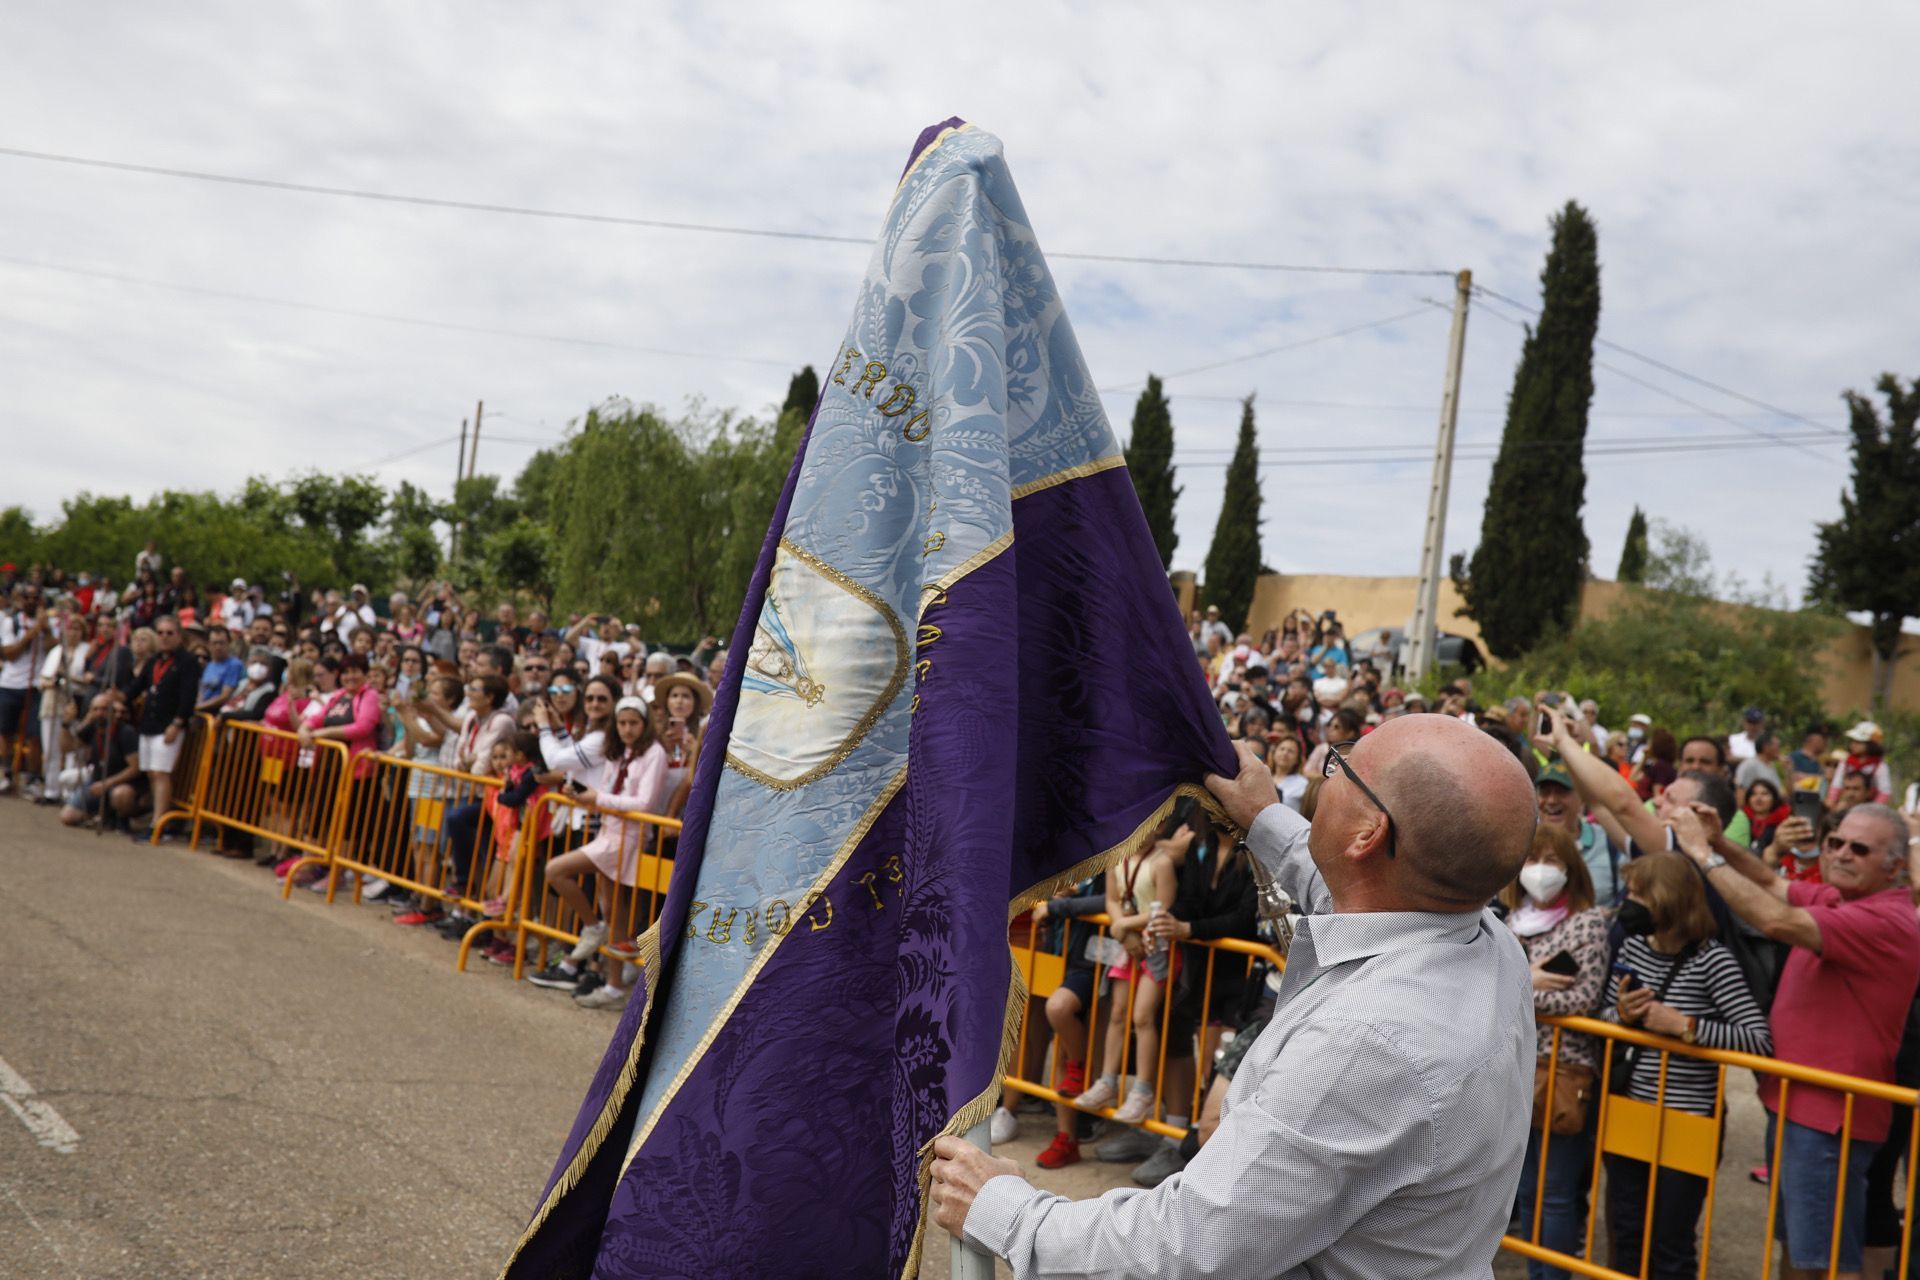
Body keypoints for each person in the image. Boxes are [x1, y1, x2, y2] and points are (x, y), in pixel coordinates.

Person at [933, 715, 1539, 1277]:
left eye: (1343, 766)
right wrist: (1263, 816)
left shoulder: (1373, 1043)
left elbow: (1194, 1247)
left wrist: (1003, 1211)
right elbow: (1355, 888)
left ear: (1369, 833)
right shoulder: (1488, 942)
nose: (1325, 777)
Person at [1668, 801, 1920, 1280]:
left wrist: (1703, 855)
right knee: (1798, 1251)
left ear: (1894, 867)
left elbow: (1776, 920)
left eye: (1859, 849)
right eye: (1834, 842)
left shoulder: (1887, 920)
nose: (1842, 854)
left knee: (1824, 1263)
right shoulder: (1842, 898)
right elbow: (1770, 883)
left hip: (1829, 1118)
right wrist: (1721, 842)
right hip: (1797, 1104)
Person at [1601, 851, 1772, 1279]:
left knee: (1670, 1241)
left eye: (1639, 893)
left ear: (1669, 899)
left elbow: (1759, 1040)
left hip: (1688, 1120)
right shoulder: (1633, 946)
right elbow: (1600, 1018)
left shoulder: (1713, 961)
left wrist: (1686, 1026)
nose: (1630, 901)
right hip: (1631, 1111)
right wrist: (1621, 1014)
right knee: (1626, 1232)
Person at [1502, 823, 1610, 1280]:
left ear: (1572, 870)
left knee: (1556, 1192)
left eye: (1552, 862)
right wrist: (1529, 978)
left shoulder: (1587, 922)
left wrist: (1516, 982)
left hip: (1564, 1071)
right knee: (1525, 1193)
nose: (1540, 871)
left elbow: (1581, 997)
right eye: (1532, 860)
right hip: (1514, 1067)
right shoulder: (1508, 920)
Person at [535, 697, 668, 1009]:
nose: (627, 729)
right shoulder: (618, 751)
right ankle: (612, 982)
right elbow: (606, 791)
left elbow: (644, 801)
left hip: (628, 837)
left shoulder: (654, 752)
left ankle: (597, 940)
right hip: (609, 831)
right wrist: (583, 796)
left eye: (634, 723)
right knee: (612, 908)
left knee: (557, 870)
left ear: (645, 724)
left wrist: (599, 798)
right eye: (622, 723)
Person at [1071, 814, 1184, 1127]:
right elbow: (1111, 900)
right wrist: (1123, 929)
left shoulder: (1161, 862)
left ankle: (1143, 1090)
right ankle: (1107, 1081)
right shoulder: (1116, 857)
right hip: (1127, 945)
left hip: (1156, 947)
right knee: (1118, 1012)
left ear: (1160, 827)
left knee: (1143, 1016)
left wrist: (1124, 925)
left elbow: (1162, 904)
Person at [117, 614, 200, 838]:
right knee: (152, 774)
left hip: (169, 726)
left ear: (178, 636)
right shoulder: (154, 661)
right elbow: (137, 685)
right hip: (149, 724)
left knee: (161, 773)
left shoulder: (187, 662)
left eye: (169, 633)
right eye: (160, 633)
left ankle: (158, 824)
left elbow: (188, 697)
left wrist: (178, 723)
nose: (164, 637)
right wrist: (120, 696)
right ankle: (156, 816)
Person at [0, 581, 51, 794]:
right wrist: (31, 634)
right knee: (5, 732)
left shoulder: (49, 623)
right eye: (27, 597)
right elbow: (9, 654)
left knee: (34, 734)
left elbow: (52, 648)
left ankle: (33, 777)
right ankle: (5, 773)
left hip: (37, 684)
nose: (31, 601)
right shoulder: (11, 622)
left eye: (35, 597)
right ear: (21, 600)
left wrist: (45, 629)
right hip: (11, 683)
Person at [194, 624, 244, 714]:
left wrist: (199, 707)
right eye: (214, 643)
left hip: (217, 713)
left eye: (221, 643)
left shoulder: (234, 664)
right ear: (208, 644)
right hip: (203, 713)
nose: (218, 647)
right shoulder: (209, 665)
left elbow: (225, 696)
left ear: (229, 643)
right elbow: (202, 690)